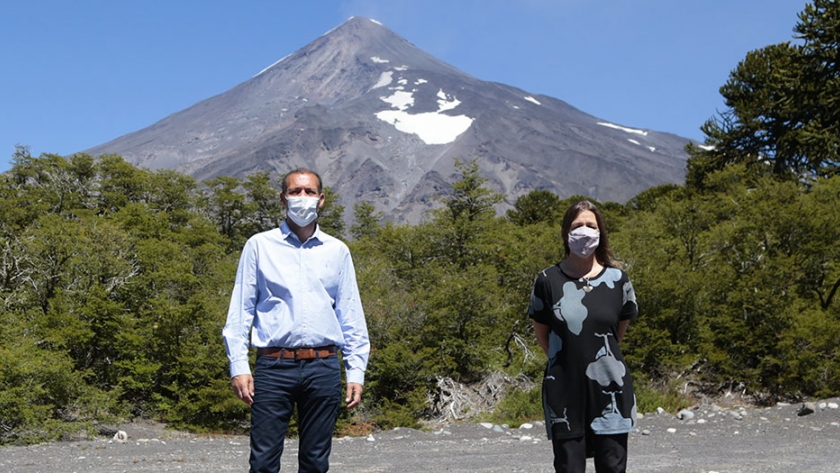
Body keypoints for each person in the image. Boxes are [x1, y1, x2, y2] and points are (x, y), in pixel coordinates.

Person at [222, 168, 370, 473]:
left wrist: (356, 370)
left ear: (321, 200)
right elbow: (240, 311)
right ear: (283, 198)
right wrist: (239, 366)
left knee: (316, 462)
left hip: (323, 365)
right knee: (263, 461)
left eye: (309, 192)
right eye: (295, 191)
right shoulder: (259, 246)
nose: (302, 198)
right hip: (273, 367)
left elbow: (350, 313)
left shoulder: (337, 251)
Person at [527, 200, 638, 473]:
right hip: (564, 390)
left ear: (601, 233)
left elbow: (616, 333)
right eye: (578, 226)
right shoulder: (547, 280)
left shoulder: (619, 280)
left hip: (610, 386)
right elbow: (543, 333)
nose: (585, 231)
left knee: (613, 467)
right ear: (566, 232)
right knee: (569, 467)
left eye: (591, 225)